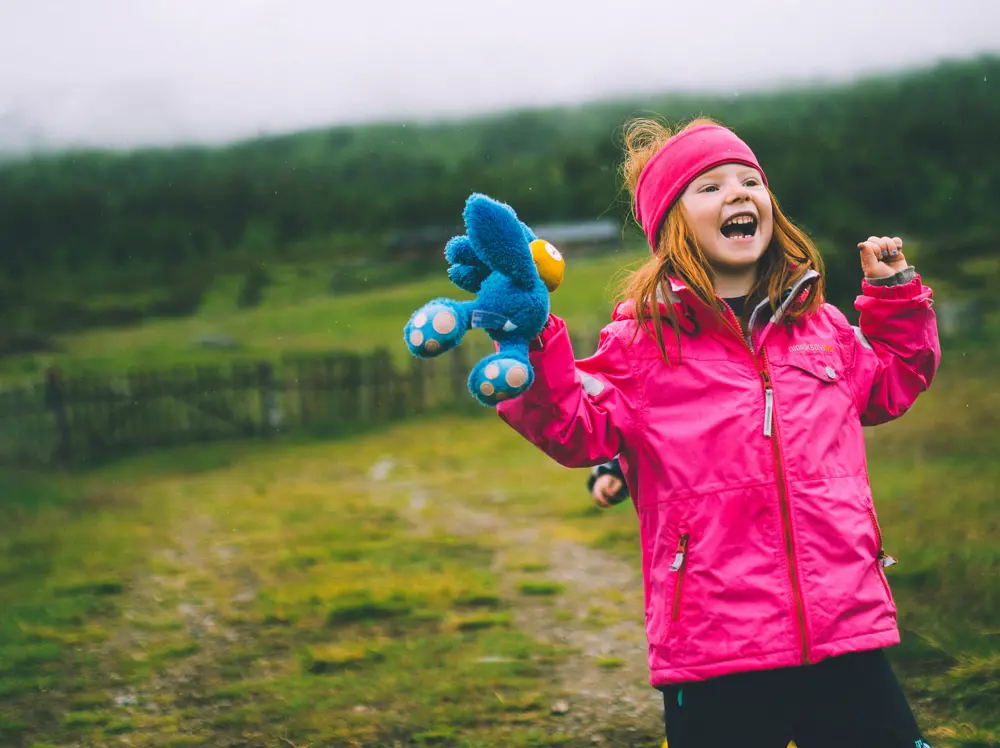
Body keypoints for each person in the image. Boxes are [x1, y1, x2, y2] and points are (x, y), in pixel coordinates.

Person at [496, 117, 940, 747]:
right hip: (715, 645)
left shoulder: (823, 329)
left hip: (843, 623)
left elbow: (894, 379)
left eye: (749, 181)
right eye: (709, 188)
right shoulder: (641, 347)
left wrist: (894, 294)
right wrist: (531, 342)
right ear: (672, 228)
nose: (737, 194)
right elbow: (573, 426)